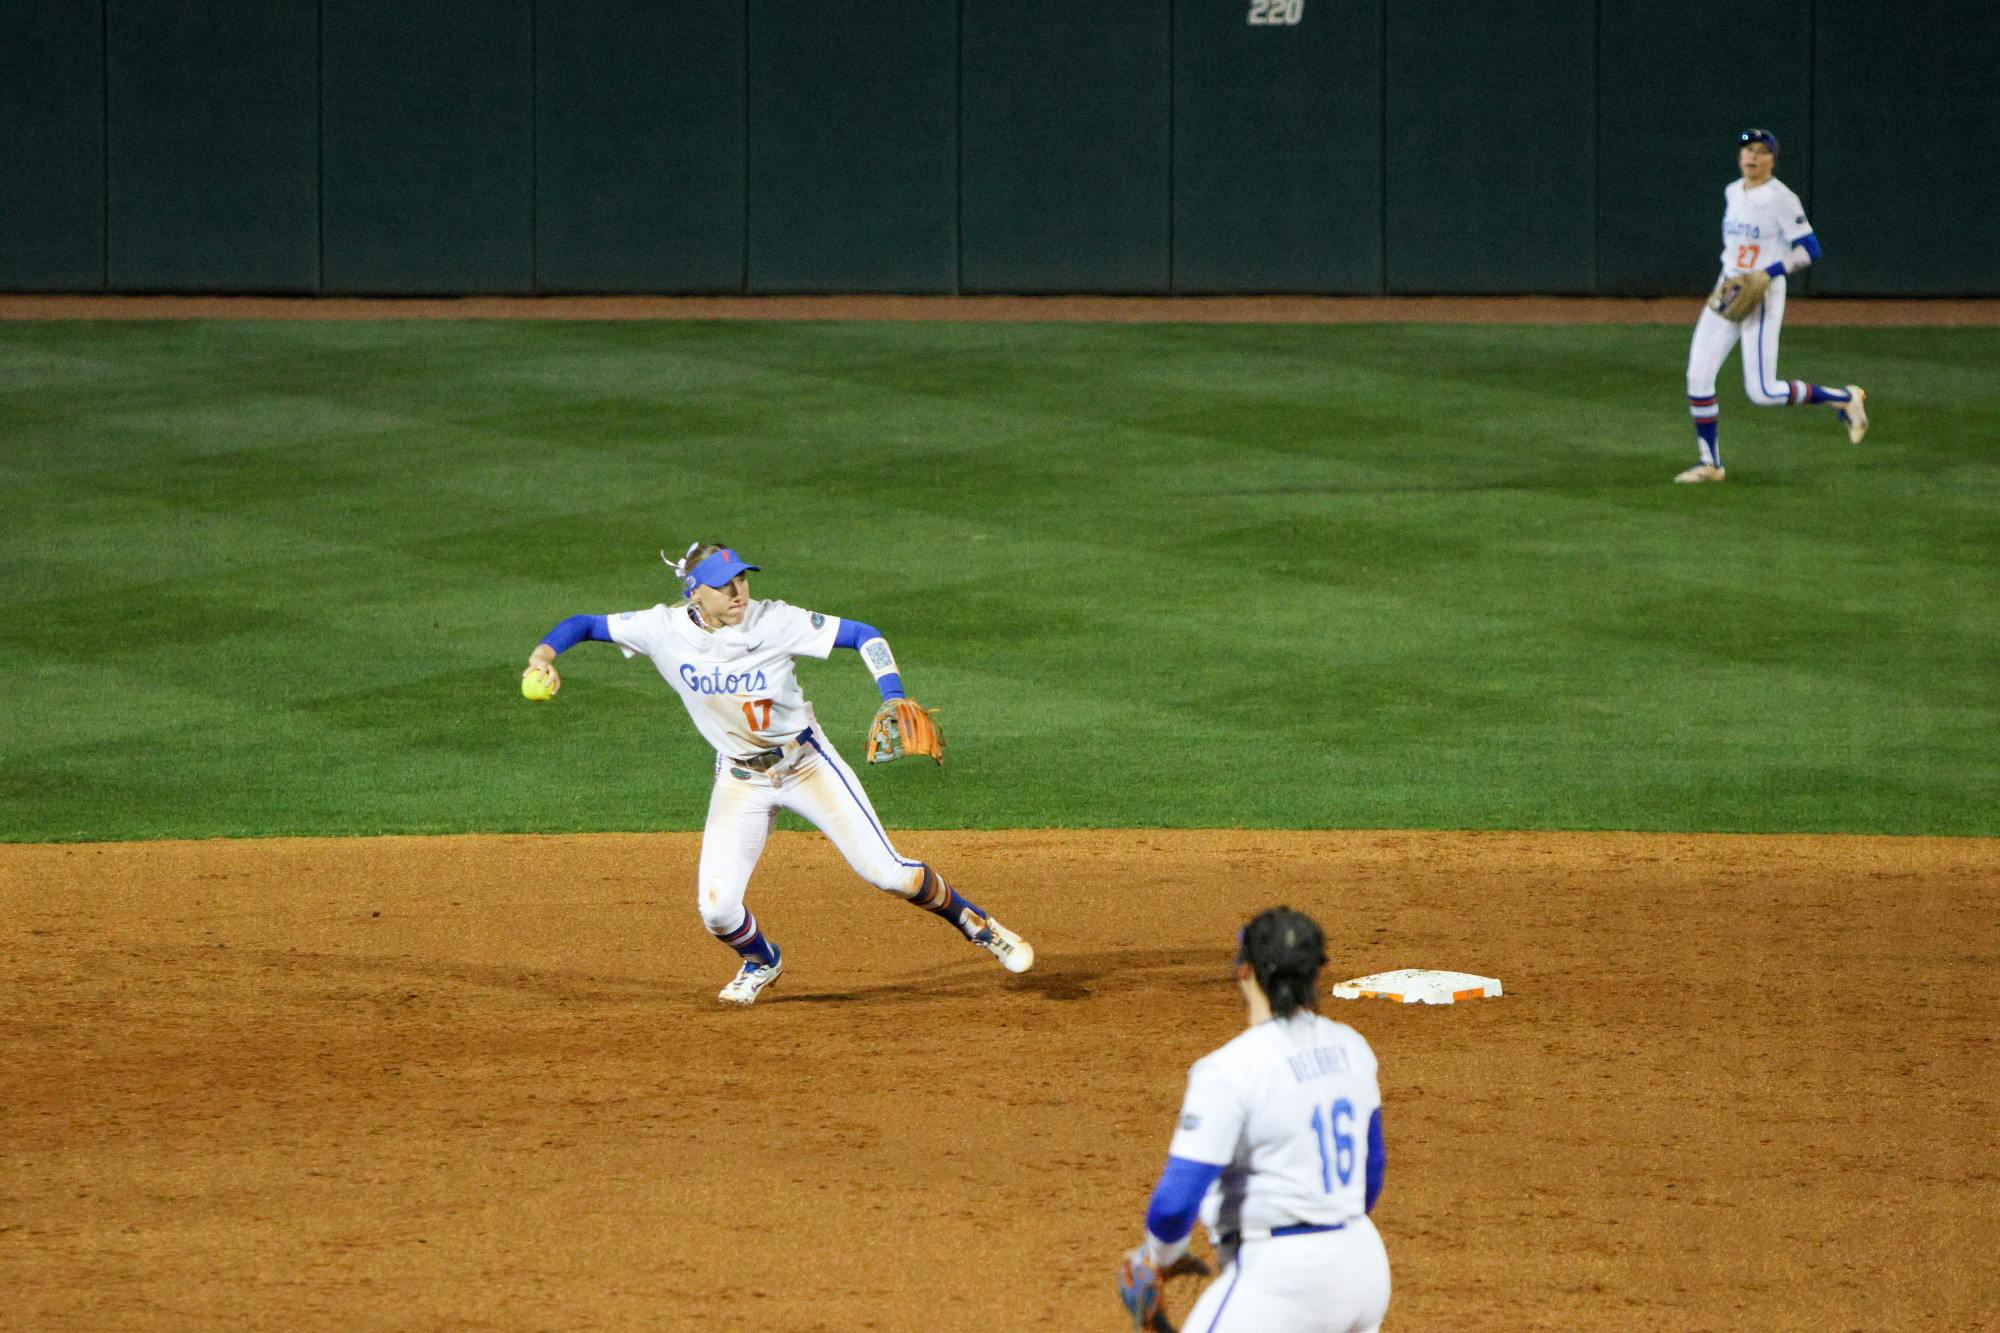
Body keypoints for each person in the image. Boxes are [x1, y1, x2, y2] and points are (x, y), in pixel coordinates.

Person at [521, 542, 1034, 1006]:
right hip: (740, 779)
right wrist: (542, 657)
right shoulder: (662, 628)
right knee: (717, 911)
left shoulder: (775, 620)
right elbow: (583, 624)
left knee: (888, 874)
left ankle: (978, 925)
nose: (739, 591)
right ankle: (762, 960)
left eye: (742, 579)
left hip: (806, 764)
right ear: (695, 593)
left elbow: (865, 636)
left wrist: (892, 693)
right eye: (724, 585)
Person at [1117, 907, 1388, 1333]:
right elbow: (1370, 1175)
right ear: (1316, 973)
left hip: (1281, 1281)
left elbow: (1174, 1204)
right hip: (1363, 1268)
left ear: (1244, 970)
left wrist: (1155, 1260)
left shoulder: (1229, 1070)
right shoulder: (1352, 1048)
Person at [1678, 128, 1868, 484]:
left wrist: (1770, 271)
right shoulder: (1732, 191)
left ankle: (1844, 398)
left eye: (1761, 151)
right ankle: (1711, 463)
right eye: (1747, 150)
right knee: (1698, 377)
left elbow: (1810, 249)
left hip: (1763, 294)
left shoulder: (1782, 198)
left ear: (1772, 159)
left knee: (1763, 392)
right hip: (1728, 289)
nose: (1752, 157)